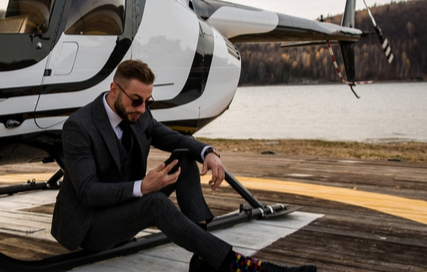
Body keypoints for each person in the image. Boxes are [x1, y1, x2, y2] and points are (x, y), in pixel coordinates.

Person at [51, 60, 317, 272]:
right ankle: (241, 266)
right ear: (114, 90)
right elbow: (87, 191)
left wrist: (207, 152)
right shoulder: (79, 126)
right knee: (154, 204)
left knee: (185, 160)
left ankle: (203, 258)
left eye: (148, 102)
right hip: (89, 226)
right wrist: (142, 187)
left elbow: (172, 137)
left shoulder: (139, 114)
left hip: (123, 210)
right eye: (136, 101)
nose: (142, 109)